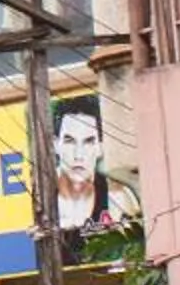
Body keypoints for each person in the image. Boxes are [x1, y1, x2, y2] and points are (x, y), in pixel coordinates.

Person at [53, 96, 138, 256]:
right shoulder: (40, 200)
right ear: (56, 145)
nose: (79, 155)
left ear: (100, 147)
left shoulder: (117, 199)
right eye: (70, 141)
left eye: (88, 141)